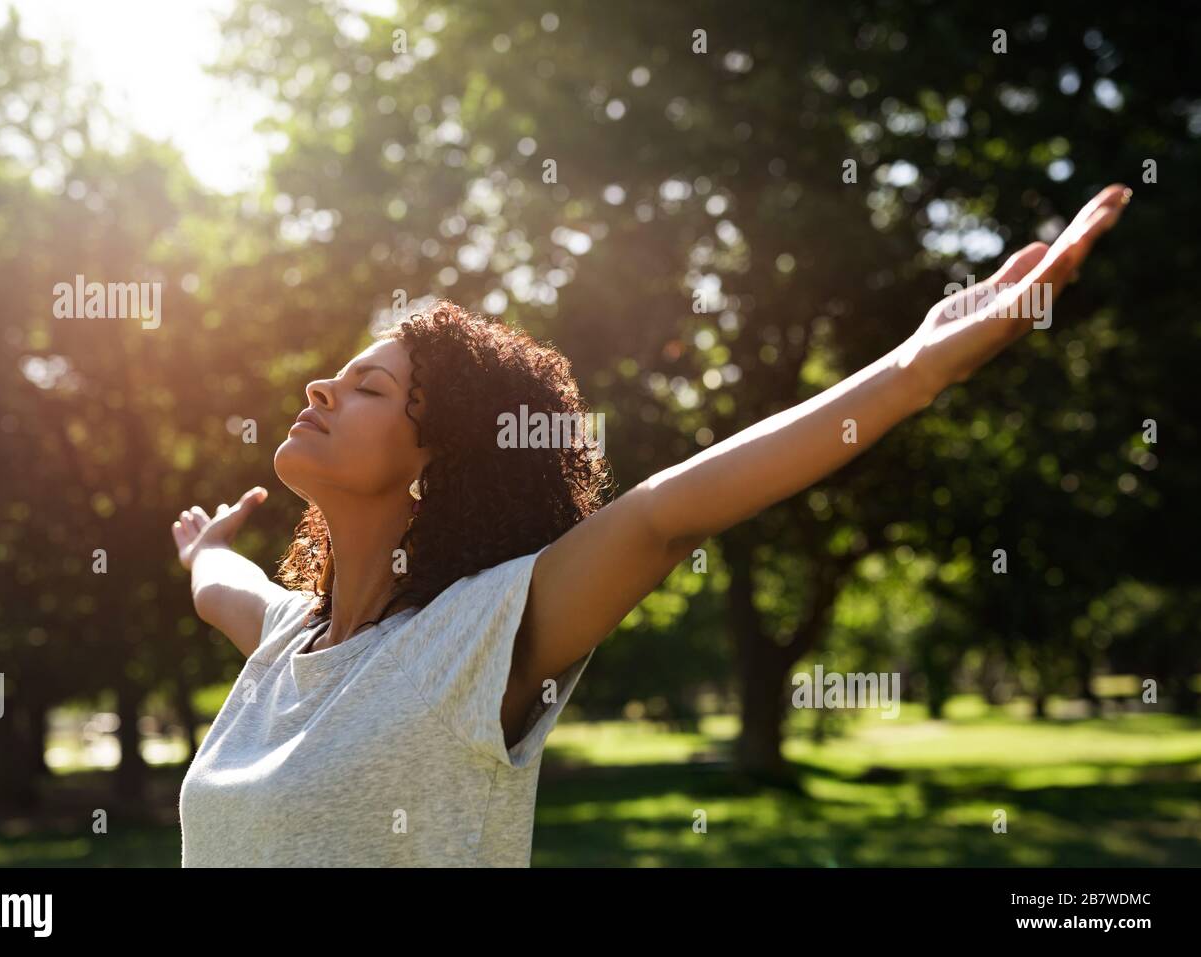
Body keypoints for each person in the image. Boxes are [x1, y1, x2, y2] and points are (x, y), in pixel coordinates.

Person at [174, 184, 1130, 866]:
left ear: (441, 464)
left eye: (368, 387)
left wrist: (916, 367)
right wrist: (207, 550)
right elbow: (225, 587)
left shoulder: (473, 639)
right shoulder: (290, 640)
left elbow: (669, 512)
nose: (320, 387)